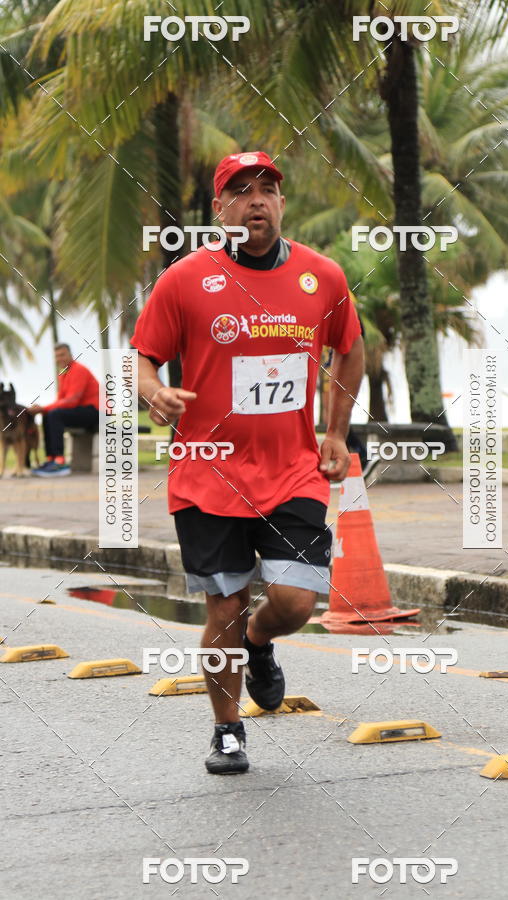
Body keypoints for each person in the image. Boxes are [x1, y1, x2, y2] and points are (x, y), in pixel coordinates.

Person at [131, 150, 364, 775]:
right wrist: (154, 392)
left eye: (268, 189)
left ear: (282, 204)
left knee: (293, 603)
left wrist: (335, 432)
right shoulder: (184, 280)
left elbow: (351, 348)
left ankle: (261, 643)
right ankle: (227, 729)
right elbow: (142, 357)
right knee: (223, 607)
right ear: (220, 209)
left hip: (291, 469)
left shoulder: (322, 277)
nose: (256, 200)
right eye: (241, 191)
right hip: (207, 473)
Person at [28, 344, 100, 477]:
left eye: (62, 354)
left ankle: (60, 463)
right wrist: (43, 410)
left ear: (70, 355)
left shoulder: (79, 370)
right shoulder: (63, 374)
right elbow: (60, 401)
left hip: (96, 412)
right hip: (81, 410)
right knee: (48, 414)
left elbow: (72, 401)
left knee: (55, 414)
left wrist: (43, 408)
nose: (59, 358)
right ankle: (51, 459)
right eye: (57, 356)